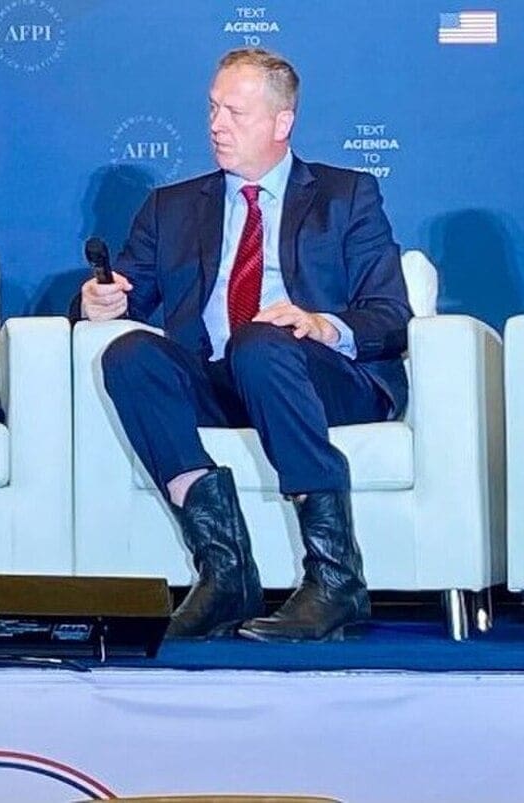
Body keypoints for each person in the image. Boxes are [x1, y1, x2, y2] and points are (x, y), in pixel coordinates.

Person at [79, 48, 411, 642]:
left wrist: (321, 323)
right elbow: (128, 291)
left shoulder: (347, 196)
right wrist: (101, 302)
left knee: (262, 342)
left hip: (322, 377)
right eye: (212, 109)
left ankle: (336, 578)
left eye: (235, 112)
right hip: (225, 374)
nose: (215, 124)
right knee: (127, 356)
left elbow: (390, 315)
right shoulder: (172, 207)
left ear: (282, 123)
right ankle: (224, 568)